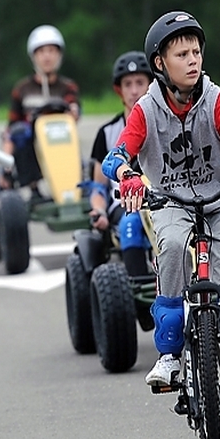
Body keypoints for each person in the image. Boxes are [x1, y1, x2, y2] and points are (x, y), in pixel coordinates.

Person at [101, 11, 220, 439]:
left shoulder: (217, 99)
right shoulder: (145, 110)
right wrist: (130, 177)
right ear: (159, 63)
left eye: (196, 51)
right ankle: (170, 356)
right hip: (171, 202)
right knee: (174, 249)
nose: (192, 59)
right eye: (181, 53)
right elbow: (117, 155)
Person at [87, 51, 153, 278]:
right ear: (119, 90)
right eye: (128, 84)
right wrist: (98, 210)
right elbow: (98, 187)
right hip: (123, 204)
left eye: (140, 83)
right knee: (132, 224)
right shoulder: (107, 133)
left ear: (151, 85)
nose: (134, 90)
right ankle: (139, 291)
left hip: (162, 199)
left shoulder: (164, 124)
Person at [0, 24, 81, 200]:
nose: (47, 56)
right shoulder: (22, 89)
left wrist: (72, 111)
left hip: (60, 138)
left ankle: (75, 186)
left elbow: (74, 109)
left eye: (51, 51)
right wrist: (5, 162)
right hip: (32, 142)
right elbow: (12, 126)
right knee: (19, 132)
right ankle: (33, 187)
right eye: (42, 51)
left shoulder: (67, 87)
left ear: (59, 54)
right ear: (34, 56)